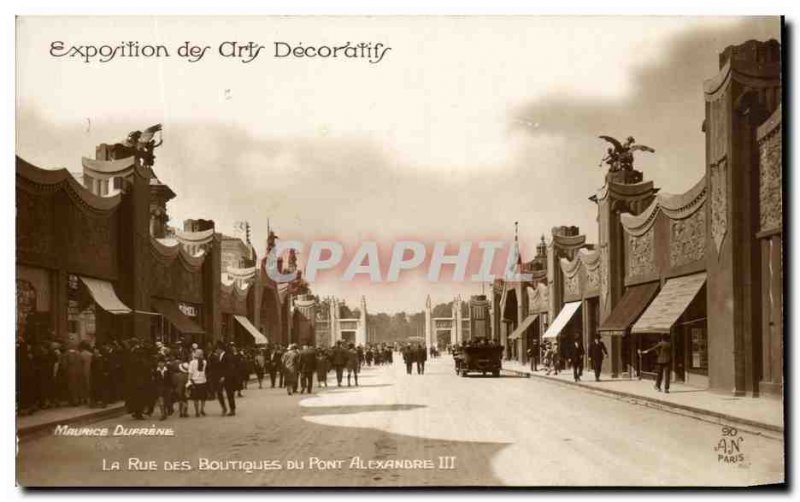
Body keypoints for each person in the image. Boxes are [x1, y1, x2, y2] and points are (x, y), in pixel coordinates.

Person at [214, 342, 237, 416]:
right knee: (219, 392)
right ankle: (224, 408)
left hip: (227, 378)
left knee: (229, 393)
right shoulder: (219, 356)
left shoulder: (227, 356)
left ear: (220, 349)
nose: (216, 351)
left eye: (216, 349)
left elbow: (230, 368)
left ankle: (232, 409)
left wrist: (224, 376)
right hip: (220, 378)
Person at [188, 348, 208, 417]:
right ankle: (202, 409)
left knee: (195, 398)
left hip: (195, 381)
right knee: (203, 398)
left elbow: (190, 373)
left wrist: (189, 381)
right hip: (203, 381)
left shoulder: (192, 362)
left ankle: (197, 412)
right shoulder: (204, 362)